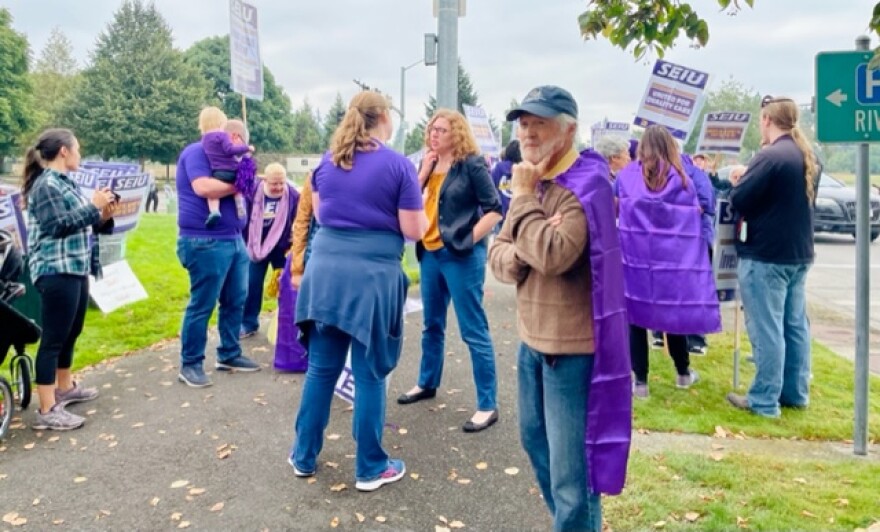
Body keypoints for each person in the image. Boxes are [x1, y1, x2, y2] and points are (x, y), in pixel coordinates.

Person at [489, 86, 632, 531]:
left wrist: (525, 202)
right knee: (536, 445)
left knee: (573, 475)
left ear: (568, 129)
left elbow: (555, 255)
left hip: (571, 350)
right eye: (524, 123)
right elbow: (500, 253)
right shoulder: (535, 182)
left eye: (540, 123)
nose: (528, 133)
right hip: (531, 340)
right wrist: (521, 251)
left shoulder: (585, 187)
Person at [290, 91, 427, 492]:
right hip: (370, 277)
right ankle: (370, 466)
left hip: (324, 274)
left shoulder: (326, 164)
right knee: (369, 375)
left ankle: (303, 456)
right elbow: (414, 230)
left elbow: (319, 215)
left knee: (320, 370)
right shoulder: (399, 166)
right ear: (383, 116)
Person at [396, 109, 503, 433]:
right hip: (429, 254)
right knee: (432, 324)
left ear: (456, 133)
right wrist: (425, 169)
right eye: (431, 129)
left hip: (460, 256)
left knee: (473, 329)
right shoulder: (428, 164)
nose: (434, 134)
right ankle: (427, 382)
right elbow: (410, 200)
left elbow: (495, 209)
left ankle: (488, 404)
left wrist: (469, 238)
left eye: (441, 130)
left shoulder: (471, 163)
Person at [726, 96, 817, 418]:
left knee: (767, 328)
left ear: (767, 120)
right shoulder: (807, 156)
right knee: (794, 326)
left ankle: (764, 399)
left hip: (766, 255)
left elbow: (741, 200)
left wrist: (739, 178)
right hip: (798, 253)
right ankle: (794, 392)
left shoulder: (769, 156)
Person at [20, 128, 117, 430]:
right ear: (64, 151)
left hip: (75, 267)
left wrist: (103, 214)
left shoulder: (66, 182)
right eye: (77, 148)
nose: (80, 153)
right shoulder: (46, 184)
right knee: (53, 338)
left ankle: (64, 387)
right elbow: (57, 226)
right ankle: (47, 409)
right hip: (54, 269)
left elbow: (82, 224)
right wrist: (93, 207)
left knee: (71, 331)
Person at [615, 125, 721, 398]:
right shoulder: (686, 177)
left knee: (636, 317)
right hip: (674, 260)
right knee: (672, 314)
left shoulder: (627, 176)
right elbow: (702, 208)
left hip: (637, 259)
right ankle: (683, 373)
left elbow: (614, 205)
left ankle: (640, 382)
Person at [176, 118, 260, 388]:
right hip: (205, 240)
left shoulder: (228, 158)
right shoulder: (196, 153)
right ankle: (191, 363)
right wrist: (239, 184)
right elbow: (203, 187)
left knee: (236, 299)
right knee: (203, 303)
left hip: (234, 238)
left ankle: (229, 353)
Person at [240, 163, 299, 338]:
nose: (279, 187)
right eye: (274, 184)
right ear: (265, 180)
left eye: (282, 183)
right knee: (252, 284)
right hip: (256, 247)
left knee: (286, 285)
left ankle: (287, 324)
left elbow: (298, 218)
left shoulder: (293, 196)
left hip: (281, 248)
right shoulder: (252, 193)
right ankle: (249, 323)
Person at [199, 106, 255, 227]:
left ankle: (214, 210)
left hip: (218, 172)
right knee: (238, 186)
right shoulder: (223, 135)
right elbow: (230, 149)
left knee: (213, 195)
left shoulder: (204, 140)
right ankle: (239, 203)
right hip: (232, 170)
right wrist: (246, 148)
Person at [490, 139, 522, 223]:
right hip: (517, 215)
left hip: (500, 213)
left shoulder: (499, 167)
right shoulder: (524, 169)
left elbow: (490, 187)